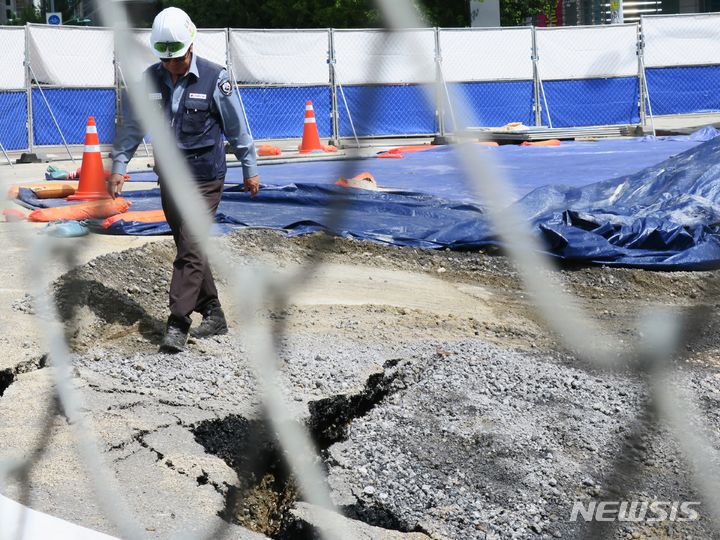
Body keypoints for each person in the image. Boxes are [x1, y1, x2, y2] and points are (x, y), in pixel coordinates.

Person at [108, 7, 260, 354]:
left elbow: (237, 129)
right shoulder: (148, 80)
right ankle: (213, 311)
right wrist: (119, 165)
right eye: (165, 59)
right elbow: (132, 127)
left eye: (176, 59)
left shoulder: (214, 79)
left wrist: (250, 168)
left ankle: (177, 322)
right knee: (190, 247)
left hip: (206, 177)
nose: (171, 65)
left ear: (191, 47)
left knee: (191, 246)